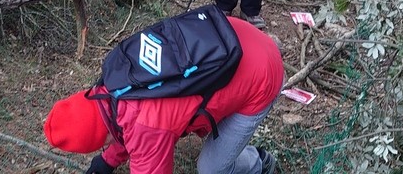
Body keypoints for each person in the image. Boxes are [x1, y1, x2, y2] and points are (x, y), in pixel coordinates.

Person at [43, 15, 284, 174]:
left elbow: (139, 130)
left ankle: (258, 164)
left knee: (211, 168)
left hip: (262, 74)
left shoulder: (146, 127)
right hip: (232, 33)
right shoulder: (113, 76)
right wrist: (107, 161)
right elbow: (124, 123)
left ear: (101, 137)